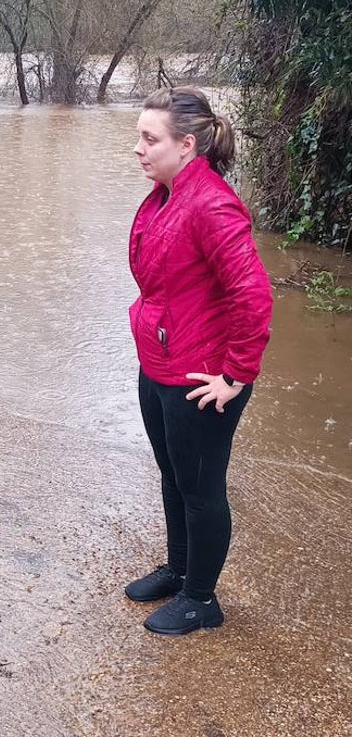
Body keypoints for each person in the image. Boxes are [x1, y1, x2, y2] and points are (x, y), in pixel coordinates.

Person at [125, 87, 273, 635]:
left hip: (202, 378)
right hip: (160, 362)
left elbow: (252, 294)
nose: (138, 148)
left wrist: (236, 375)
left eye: (149, 138)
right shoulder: (166, 194)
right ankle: (180, 570)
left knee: (202, 489)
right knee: (173, 475)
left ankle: (201, 600)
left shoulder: (210, 203)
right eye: (138, 136)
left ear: (187, 145)